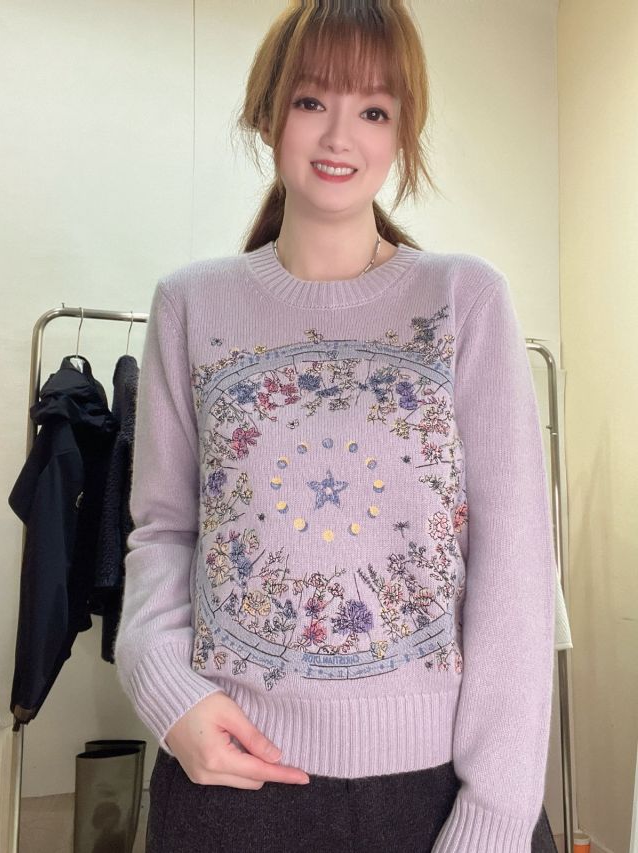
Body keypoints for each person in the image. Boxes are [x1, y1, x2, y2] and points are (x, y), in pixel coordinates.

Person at [114, 2, 559, 851]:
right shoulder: (190, 304)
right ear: (267, 111)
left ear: (403, 134)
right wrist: (168, 693)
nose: (339, 136)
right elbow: (164, 532)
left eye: (375, 110)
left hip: (436, 792)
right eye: (312, 100)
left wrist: (497, 814)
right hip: (231, 776)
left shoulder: (463, 299)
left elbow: (516, 565)